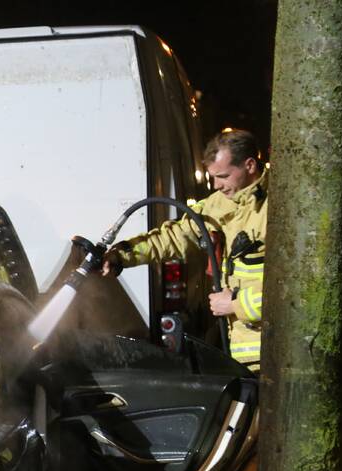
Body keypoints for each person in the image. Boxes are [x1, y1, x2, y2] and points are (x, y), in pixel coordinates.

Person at [102, 129, 267, 372]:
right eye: (213, 177)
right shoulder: (219, 204)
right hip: (245, 354)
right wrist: (121, 256)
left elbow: (295, 292)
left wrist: (236, 304)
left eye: (223, 176)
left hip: (275, 352)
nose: (217, 185)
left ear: (250, 165)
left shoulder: (277, 209)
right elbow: (174, 237)